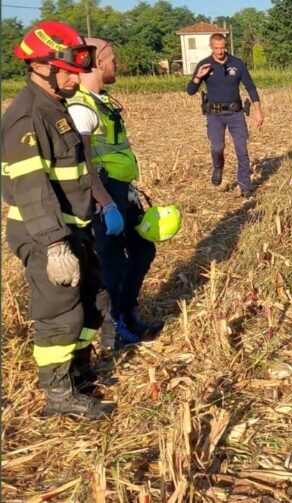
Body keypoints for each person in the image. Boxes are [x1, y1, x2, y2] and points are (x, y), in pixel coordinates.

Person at [2, 21, 114, 419]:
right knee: (60, 313)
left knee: (93, 300)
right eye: (68, 67)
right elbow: (32, 188)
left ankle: (80, 371)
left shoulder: (57, 109)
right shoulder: (27, 118)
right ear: (41, 67)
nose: (77, 74)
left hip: (74, 227)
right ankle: (58, 395)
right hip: (45, 234)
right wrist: (53, 244)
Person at [66, 37, 163, 349]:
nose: (116, 64)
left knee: (143, 251)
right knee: (110, 262)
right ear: (95, 63)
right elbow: (82, 160)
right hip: (104, 195)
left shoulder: (101, 101)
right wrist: (104, 202)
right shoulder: (81, 108)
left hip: (122, 190)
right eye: (112, 58)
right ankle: (114, 329)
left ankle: (127, 313)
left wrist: (130, 193)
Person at [186, 33, 263, 197]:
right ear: (211, 47)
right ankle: (218, 166)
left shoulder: (237, 64)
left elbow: (251, 87)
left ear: (226, 46)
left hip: (236, 113)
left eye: (222, 48)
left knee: (241, 149)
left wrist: (258, 111)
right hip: (215, 114)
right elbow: (190, 91)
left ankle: (245, 185)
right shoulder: (204, 64)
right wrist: (198, 77)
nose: (220, 52)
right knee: (217, 147)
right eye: (216, 48)